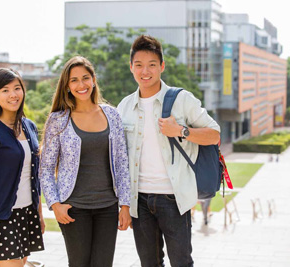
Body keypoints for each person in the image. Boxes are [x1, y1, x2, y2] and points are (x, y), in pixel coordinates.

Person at [117, 35, 220, 267]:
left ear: (162, 66)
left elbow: (214, 135)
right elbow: (118, 160)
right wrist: (123, 204)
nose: (146, 71)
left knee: (181, 263)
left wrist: (181, 130)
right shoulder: (123, 107)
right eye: (139, 65)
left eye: (152, 65)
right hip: (139, 201)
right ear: (131, 67)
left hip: (174, 199)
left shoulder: (182, 100)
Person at [39, 56, 131, 267]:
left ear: (93, 80)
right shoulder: (59, 119)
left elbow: (121, 162)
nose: (81, 85)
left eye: (85, 78)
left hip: (107, 206)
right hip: (73, 208)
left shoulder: (112, 115)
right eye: (74, 80)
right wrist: (55, 204)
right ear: (67, 86)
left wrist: (125, 204)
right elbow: (45, 168)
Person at [0, 68, 45, 266]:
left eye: (17, 88)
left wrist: (39, 214)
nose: (13, 95)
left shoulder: (29, 126)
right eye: (5, 90)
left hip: (27, 212)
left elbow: (34, 177)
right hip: (3, 216)